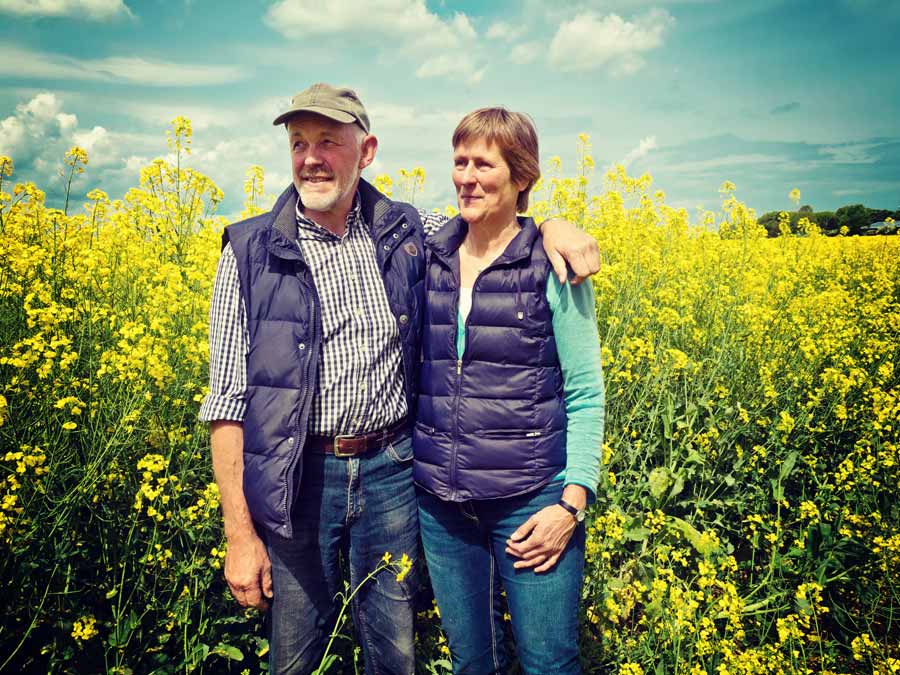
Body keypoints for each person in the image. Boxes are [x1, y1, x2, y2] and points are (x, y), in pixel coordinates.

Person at [199, 83, 601, 675]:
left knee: (396, 652)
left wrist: (554, 225)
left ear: (366, 152)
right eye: (299, 142)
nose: (311, 157)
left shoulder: (408, 232)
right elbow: (228, 401)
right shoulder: (249, 248)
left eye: (329, 142)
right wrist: (239, 533)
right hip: (300, 478)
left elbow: (499, 223)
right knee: (295, 655)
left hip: (394, 473)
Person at [414, 107, 605, 675]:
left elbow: (586, 392)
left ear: (521, 177)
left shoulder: (552, 265)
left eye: (484, 164)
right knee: (473, 664)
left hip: (531, 501)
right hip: (443, 507)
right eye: (459, 162)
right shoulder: (429, 254)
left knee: (548, 663)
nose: (467, 177)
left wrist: (571, 505)